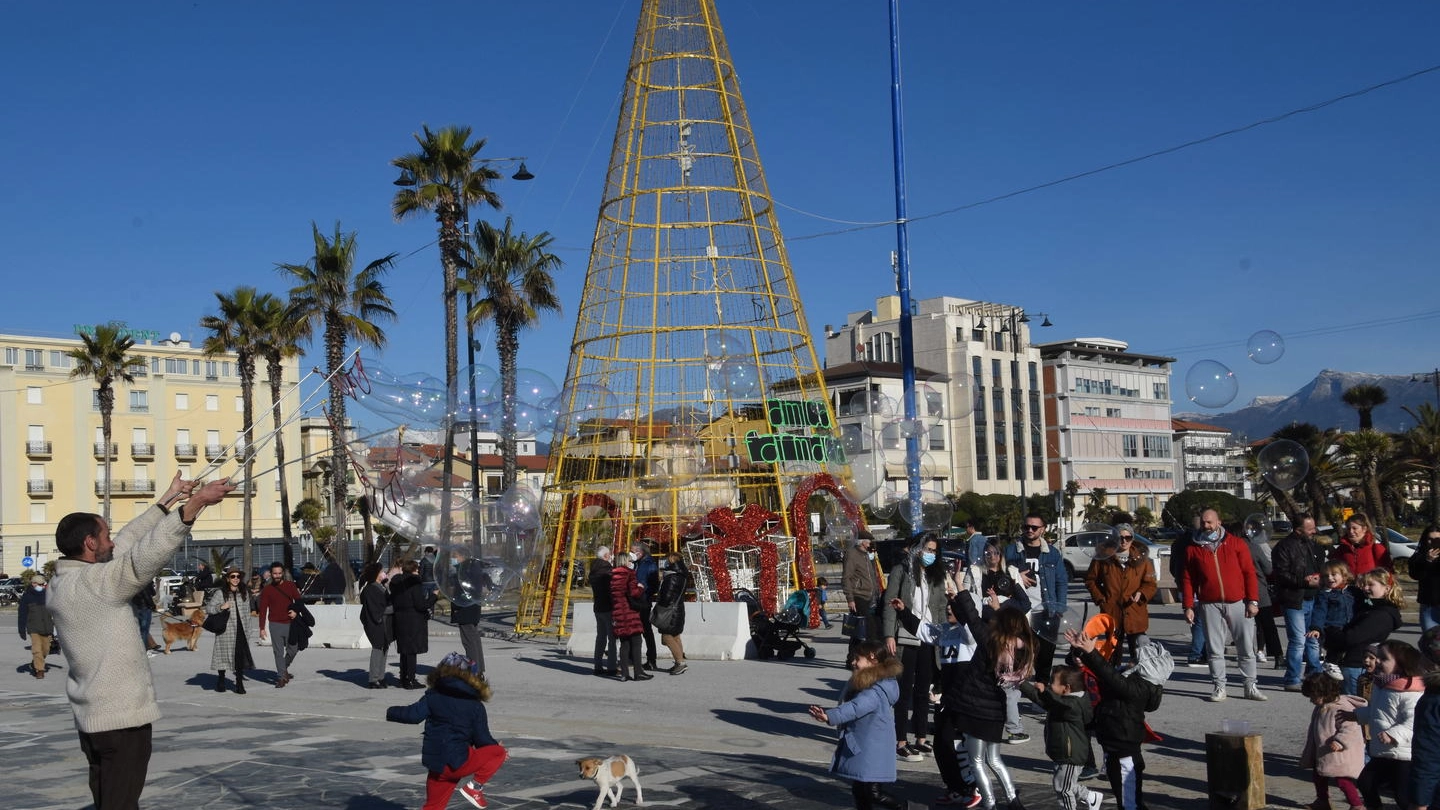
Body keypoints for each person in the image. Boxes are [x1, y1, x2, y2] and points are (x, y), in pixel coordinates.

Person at [49, 473, 233, 810]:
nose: (112, 542)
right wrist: (194, 505)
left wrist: (168, 500)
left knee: (109, 798)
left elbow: (128, 541)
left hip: (96, 719)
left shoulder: (65, 581)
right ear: (90, 543)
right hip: (121, 723)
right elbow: (142, 557)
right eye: (104, 536)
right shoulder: (96, 584)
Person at [890, 593, 981, 807]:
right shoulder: (946, 631)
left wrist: (961, 596)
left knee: (958, 744)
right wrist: (903, 611)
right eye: (948, 605)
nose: (949, 609)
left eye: (954, 606)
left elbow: (970, 619)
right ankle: (955, 788)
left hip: (967, 700)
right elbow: (923, 630)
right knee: (940, 743)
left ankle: (972, 787)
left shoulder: (970, 634)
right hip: (948, 699)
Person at [386, 650, 508, 810]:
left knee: (433, 806)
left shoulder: (432, 696)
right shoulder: (475, 706)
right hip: (458, 762)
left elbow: (413, 716)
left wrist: (389, 712)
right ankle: (474, 787)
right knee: (498, 752)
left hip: (436, 763)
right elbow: (482, 739)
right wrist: (495, 750)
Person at [1068, 630, 1171, 810]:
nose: (1130, 661)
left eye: (1136, 660)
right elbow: (1103, 674)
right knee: (1127, 799)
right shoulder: (1132, 680)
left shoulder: (1138, 687)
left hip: (1125, 750)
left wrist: (1091, 652)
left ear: (1146, 666)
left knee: (1129, 804)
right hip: (1114, 745)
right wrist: (1082, 652)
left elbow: (1109, 676)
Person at [953, 593, 1033, 810]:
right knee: (994, 759)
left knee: (976, 761)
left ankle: (990, 803)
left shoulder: (991, 640)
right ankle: (1012, 799)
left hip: (975, 708)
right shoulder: (1021, 650)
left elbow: (971, 617)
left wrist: (961, 589)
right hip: (996, 710)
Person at [807, 640, 905, 810]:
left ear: (871, 658)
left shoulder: (874, 690)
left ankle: (902, 806)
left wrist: (829, 716)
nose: (853, 662)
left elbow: (855, 707)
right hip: (866, 744)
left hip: (873, 747)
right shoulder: (867, 683)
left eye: (857, 658)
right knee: (860, 791)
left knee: (873, 793)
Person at [1180, 508, 1264, 702]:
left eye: (1209, 522)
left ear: (1219, 522)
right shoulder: (1192, 548)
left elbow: (1249, 573)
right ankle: (1219, 686)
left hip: (1238, 602)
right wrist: (1188, 605)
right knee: (1214, 649)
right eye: (1203, 522)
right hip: (1209, 603)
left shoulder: (1236, 544)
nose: (1206, 526)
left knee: (1246, 648)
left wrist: (1253, 600)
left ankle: (1250, 685)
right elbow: (1187, 579)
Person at [881, 532, 948, 761]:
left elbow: (940, 606)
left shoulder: (936, 574)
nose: (931, 554)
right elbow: (890, 604)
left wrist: (942, 633)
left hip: (928, 636)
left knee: (923, 690)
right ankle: (901, 740)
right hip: (906, 634)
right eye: (927, 549)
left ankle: (920, 737)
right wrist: (889, 635)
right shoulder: (901, 571)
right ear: (917, 549)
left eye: (934, 550)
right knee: (904, 690)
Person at [965, 539, 1033, 745]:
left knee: (1009, 684)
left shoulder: (1010, 573)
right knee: (989, 682)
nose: (991, 556)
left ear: (1001, 555)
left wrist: (1000, 606)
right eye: (988, 552)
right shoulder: (976, 573)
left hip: (1008, 637)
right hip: (986, 634)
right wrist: (992, 608)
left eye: (995, 553)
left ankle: (1012, 728)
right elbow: (971, 604)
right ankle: (993, 724)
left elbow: (1025, 604)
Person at [1356, 640, 1428, 810]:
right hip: (1383, 751)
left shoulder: (1411, 691)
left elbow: (1414, 721)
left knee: (1402, 796)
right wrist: (1356, 715)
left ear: (1401, 663)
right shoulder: (1382, 685)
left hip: (1404, 755)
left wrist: (1394, 734)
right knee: (1365, 783)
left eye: (1384, 658)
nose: (1378, 661)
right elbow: (1377, 712)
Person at [1018, 665, 1102, 810]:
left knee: (1063, 788)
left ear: (1066, 688)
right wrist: (1021, 683)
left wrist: (1044, 692)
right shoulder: (1063, 701)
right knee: (1065, 783)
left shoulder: (1072, 705)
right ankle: (1090, 797)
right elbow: (1043, 700)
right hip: (1065, 753)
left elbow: (1055, 702)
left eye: (1053, 682)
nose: (1050, 685)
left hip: (1071, 755)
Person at [1085, 527, 1157, 665]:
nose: (1124, 541)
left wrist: (1141, 593)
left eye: (1127, 538)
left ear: (1132, 539)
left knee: (1138, 654)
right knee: (1112, 654)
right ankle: (1113, 681)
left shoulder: (1142, 559)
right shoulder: (1103, 557)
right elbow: (1090, 580)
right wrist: (1101, 598)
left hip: (1135, 612)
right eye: (1120, 538)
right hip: (1111, 611)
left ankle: (1136, 682)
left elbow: (1151, 584)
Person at [1006, 514, 1067, 676]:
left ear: (1043, 529)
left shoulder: (1052, 553)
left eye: (1034, 527)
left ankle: (1042, 689)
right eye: (1026, 527)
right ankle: (1015, 689)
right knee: (1018, 654)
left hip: (1046, 611)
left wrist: (1060, 606)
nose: (1030, 530)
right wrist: (1017, 576)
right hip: (1020, 611)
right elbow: (1001, 574)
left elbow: (1061, 581)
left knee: (1045, 655)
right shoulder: (1011, 550)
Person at [1274, 514, 1328, 691]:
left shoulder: (1315, 546)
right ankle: (1292, 678)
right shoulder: (1283, 547)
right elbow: (1281, 575)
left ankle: (1314, 676)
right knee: (1298, 640)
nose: (1314, 531)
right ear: (1298, 530)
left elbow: (1323, 567)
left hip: (1314, 597)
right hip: (1294, 599)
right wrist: (1303, 581)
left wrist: (1322, 578)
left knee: (1313, 639)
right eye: (1310, 529)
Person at [1330, 568, 1405, 696]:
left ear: (1386, 589)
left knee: (1352, 708)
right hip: (1351, 663)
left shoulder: (1381, 615)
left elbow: (1350, 638)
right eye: (1364, 584)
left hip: (1356, 665)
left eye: (1371, 585)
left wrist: (1331, 632)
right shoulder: (1368, 607)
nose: (1365, 588)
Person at [1300, 671, 1367, 810]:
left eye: (1313, 696)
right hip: (1324, 752)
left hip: (1339, 754)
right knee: (1319, 776)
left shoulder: (1341, 708)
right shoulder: (1321, 707)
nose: (1311, 700)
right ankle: (1322, 800)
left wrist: (1339, 741)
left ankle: (1357, 805)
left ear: (1324, 692)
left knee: (1343, 781)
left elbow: (1350, 728)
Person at [204, 566, 259, 694]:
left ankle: (239, 683)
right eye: (233, 576)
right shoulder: (220, 593)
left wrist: (248, 630)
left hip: (241, 630)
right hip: (226, 630)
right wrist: (221, 606)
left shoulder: (244, 592)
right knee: (223, 656)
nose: (236, 579)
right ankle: (221, 680)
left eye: (238, 576)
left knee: (239, 658)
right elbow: (209, 608)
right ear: (228, 578)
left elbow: (247, 612)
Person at [258, 560, 305, 687]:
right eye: (275, 573)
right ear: (271, 574)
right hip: (275, 624)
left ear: (282, 573)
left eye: (279, 573)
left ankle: (283, 669)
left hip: (291, 623)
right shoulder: (267, 590)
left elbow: (299, 601)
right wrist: (262, 628)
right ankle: (281, 677)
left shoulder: (290, 586)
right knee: (278, 652)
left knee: (293, 649)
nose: (277, 575)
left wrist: (295, 611)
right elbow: (263, 610)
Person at [1244, 520, 1284, 666]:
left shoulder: (1231, 547)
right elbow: (1267, 569)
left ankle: (1248, 653)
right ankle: (1277, 655)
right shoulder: (1254, 547)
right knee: (1267, 625)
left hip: (1240, 592)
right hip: (1259, 589)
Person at [392, 559, 436, 689]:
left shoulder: (396, 583)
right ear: (413, 570)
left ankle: (403, 678)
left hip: (400, 619)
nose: (418, 572)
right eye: (417, 569)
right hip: (413, 620)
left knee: (404, 651)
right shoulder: (414, 584)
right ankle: (410, 679)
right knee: (412, 651)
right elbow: (421, 605)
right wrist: (433, 597)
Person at [1169, 519, 1206, 667]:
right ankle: (1196, 654)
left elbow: (1172, 567)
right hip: (1196, 587)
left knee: (1195, 620)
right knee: (1200, 621)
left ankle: (1202, 651)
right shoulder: (1194, 545)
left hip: (1182, 584)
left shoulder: (1177, 544)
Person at [1309, 562, 1359, 670]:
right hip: (1332, 628)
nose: (1330, 578)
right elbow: (1319, 612)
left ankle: (1339, 671)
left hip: (1349, 627)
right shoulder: (1325, 594)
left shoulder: (1352, 591)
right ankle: (1330, 663)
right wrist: (1316, 628)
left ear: (1344, 575)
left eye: (1334, 574)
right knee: (1338, 643)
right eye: (1326, 576)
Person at [610, 549, 650, 682]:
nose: (630, 562)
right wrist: (640, 587)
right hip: (629, 611)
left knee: (624, 643)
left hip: (618, 612)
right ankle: (638, 672)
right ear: (625, 561)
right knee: (637, 641)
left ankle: (624, 673)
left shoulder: (612, 576)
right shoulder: (629, 574)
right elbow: (634, 593)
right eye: (629, 560)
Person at [447, 551, 489, 677]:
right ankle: (479, 669)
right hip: (474, 608)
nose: (455, 559)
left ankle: (474, 671)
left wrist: (455, 605)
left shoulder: (462, 571)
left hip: (464, 609)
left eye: (456, 556)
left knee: (469, 642)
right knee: (475, 640)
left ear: (462, 556)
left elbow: (458, 593)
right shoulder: (475, 569)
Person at [843, 531, 882, 663]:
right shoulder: (852, 554)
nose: (871, 544)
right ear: (863, 542)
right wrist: (850, 598)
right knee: (870, 629)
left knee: (857, 630)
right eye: (869, 541)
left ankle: (851, 659)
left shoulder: (866, 555)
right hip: (858, 595)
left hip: (870, 596)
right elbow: (846, 577)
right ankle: (871, 658)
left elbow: (871, 577)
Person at [652, 552, 690, 675]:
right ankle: (680, 661)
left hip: (670, 611)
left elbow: (667, 595)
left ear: (673, 559)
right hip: (678, 609)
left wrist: (659, 601)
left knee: (667, 637)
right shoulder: (682, 574)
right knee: (675, 636)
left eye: (668, 559)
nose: (666, 561)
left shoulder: (673, 576)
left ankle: (680, 662)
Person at [359, 562, 394, 689]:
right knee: (377, 649)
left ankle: (381, 676)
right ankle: (373, 679)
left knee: (384, 648)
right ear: (376, 574)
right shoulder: (371, 588)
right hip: (376, 623)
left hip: (384, 623)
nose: (383, 573)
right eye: (381, 572)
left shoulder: (381, 586)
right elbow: (376, 609)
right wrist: (394, 608)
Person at [629, 539, 661, 671]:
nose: (630, 553)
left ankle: (650, 659)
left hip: (642, 600)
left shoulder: (646, 564)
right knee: (638, 630)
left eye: (632, 551)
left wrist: (643, 592)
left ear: (639, 552)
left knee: (645, 631)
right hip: (640, 599)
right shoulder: (639, 563)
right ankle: (635, 657)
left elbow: (644, 582)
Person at [18, 573, 54, 679]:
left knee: (45, 650)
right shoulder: (27, 597)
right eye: (41, 584)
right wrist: (21, 630)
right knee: (37, 649)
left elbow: (55, 612)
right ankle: (40, 670)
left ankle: (35, 663)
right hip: (34, 628)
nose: (43, 586)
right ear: (34, 584)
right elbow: (22, 614)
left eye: (44, 584)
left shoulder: (49, 595)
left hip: (47, 627)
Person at [589, 546, 617, 676]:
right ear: (606, 556)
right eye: (610, 555)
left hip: (598, 607)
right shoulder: (608, 570)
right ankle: (611, 667)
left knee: (600, 637)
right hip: (608, 607)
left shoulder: (593, 570)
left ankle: (597, 665)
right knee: (612, 638)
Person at [1408, 524, 1440, 632]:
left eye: (1437, 539)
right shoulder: (1419, 556)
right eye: (1429, 539)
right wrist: (1427, 561)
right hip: (1429, 605)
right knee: (1430, 642)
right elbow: (1415, 574)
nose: (1432, 542)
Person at [131, 581, 160, 655]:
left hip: (138, 607)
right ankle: (144, 650)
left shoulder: (135, 583)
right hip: (145, 607)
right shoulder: (145, 583)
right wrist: (152, 605)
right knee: (145, 630)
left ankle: (145, 648)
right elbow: (150, 594)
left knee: (142, 629)